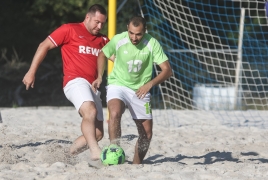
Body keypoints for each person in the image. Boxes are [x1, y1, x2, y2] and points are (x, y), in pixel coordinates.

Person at [22, 4, 109, 160]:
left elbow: (119, 58)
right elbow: (44, 45)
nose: (100, 26)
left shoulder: (103, 40)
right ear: (87, 17)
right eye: (97, 22)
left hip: (93, 87)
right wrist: (31, 71)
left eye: (103, 23)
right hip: (74, 81)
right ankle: (96, 153)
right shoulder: (70, 29)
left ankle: (67, 155)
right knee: (90, 111)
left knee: (98, 133)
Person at [92, 15, 172, 164]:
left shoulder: (152, 43)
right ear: (127, 29)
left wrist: (149, 84)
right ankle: (114, 152)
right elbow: (103, 54)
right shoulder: (119, 39)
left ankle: (136, 165)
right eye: (131, 33)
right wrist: (99, 77)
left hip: (141, 90)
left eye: (138, 34)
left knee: (146, 134)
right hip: (118, 84)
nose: (134, 37)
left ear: (145, 31)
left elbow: (167, 70)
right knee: (115, 113)